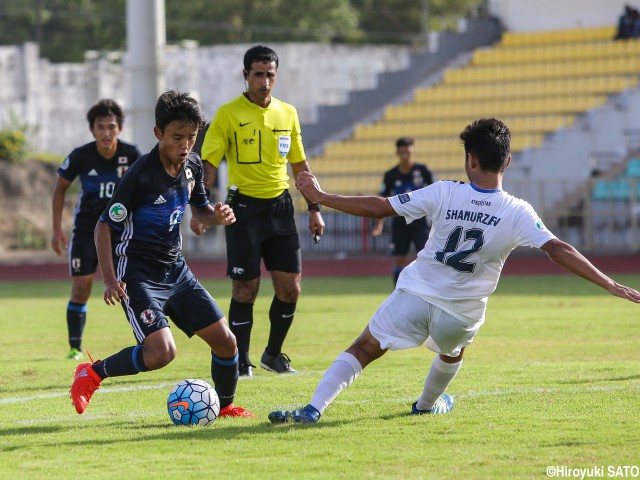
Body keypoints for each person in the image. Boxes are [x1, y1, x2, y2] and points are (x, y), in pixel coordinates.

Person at [268, 118, 640, 424]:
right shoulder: (518, 211)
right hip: (461, 313)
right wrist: (607, 283)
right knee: (453, 351)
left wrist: (323, 197)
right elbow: (558, 249)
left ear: (471, 160)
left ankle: (312, 409)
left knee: (366, 347)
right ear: (507, 162)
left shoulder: (445, 191)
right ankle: (427, 405)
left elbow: (380, 207)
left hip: (415, 294)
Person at [69, 90, 255, 418]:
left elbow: (199, 213)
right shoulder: (140, 175)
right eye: (177, 137)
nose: (185, 145)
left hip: (177, 272)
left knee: (227, 343)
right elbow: (103, 227)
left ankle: (224, 408)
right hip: (138, 275)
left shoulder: (192, 166)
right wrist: (111, 279)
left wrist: (217, 216)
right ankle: (93, 373)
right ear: (159, 134)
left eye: (192, 137)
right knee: (161, 353)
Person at [190, 45, 325, 379]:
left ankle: (273, 355)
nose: (265, 81)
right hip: (243, 211)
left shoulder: (287, 113)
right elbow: (208, 165)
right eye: (258, 74)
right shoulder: (227, 115)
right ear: (246, 75)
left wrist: (314, 207)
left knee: (290, 288)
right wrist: (201, 208)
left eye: (270, 75)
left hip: (281, 208)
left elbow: (300, 165)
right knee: (245, 289)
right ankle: (242, 361)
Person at [51, 99, 141, 361]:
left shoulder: (132, 154)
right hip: (86, 231)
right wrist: (57, 230)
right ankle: (75, 347)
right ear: (92, 129)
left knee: (131, 286)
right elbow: (59, 189)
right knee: (81, 287)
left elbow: (145, 188)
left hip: (122, 232)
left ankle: (145, 338)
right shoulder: (80, 155)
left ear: (120, 128)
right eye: (100, 127)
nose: (106, 133)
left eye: (111, 127)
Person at [372, 137, 435, 285]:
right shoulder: (391, 175)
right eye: (403, 152)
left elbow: (436, 193)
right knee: (399, 259)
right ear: (397, 153)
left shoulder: (423, 171)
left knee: (426, 257)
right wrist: (378, 224)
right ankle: (398, 292)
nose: (406, 156)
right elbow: (382, 200)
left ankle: (428, 291)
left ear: (413, 152)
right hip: (400, 222)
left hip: (421, 222)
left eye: (408, 152)